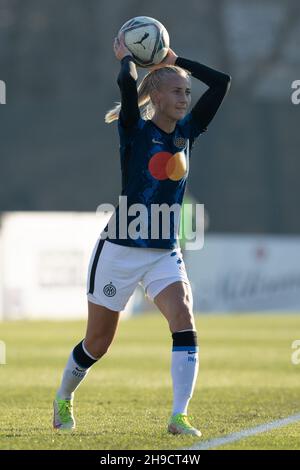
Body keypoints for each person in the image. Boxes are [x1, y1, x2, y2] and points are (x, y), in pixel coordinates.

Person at [53, 32, 231, 436]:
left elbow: (221, 83)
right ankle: (64, 396)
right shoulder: (134, 129)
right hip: (119, 250)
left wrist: (176, 57)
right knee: (97, 343)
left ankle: (179, 416)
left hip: (162, 251)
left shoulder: (189, 131)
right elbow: (125, 85)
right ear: (156, 95)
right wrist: (126, 60)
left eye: (187, 91)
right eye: (177, 91)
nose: (185, 98)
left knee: (184, 317)